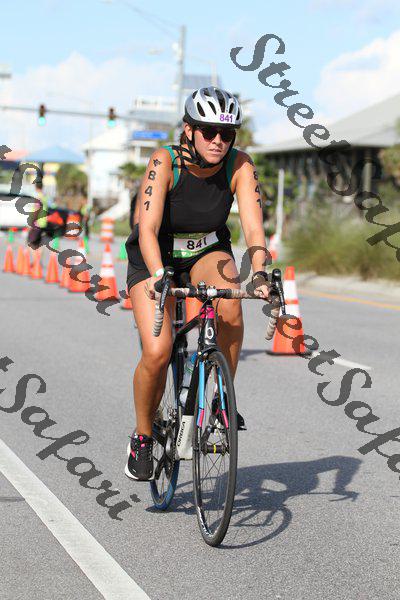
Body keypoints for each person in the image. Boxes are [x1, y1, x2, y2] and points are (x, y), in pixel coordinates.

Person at [124, 87, 271, 481]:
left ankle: (221, 399)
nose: (219, 141)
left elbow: (254, 229)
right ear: (189, 130)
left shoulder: (239, 165)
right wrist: (159, 275)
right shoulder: (164, 161)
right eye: (209, 132)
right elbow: (147, 228)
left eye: (227, 134)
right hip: (155, 256)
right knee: (158, 351)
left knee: (231, 307)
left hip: (207, 251)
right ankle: (142, 437)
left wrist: (260, 272)